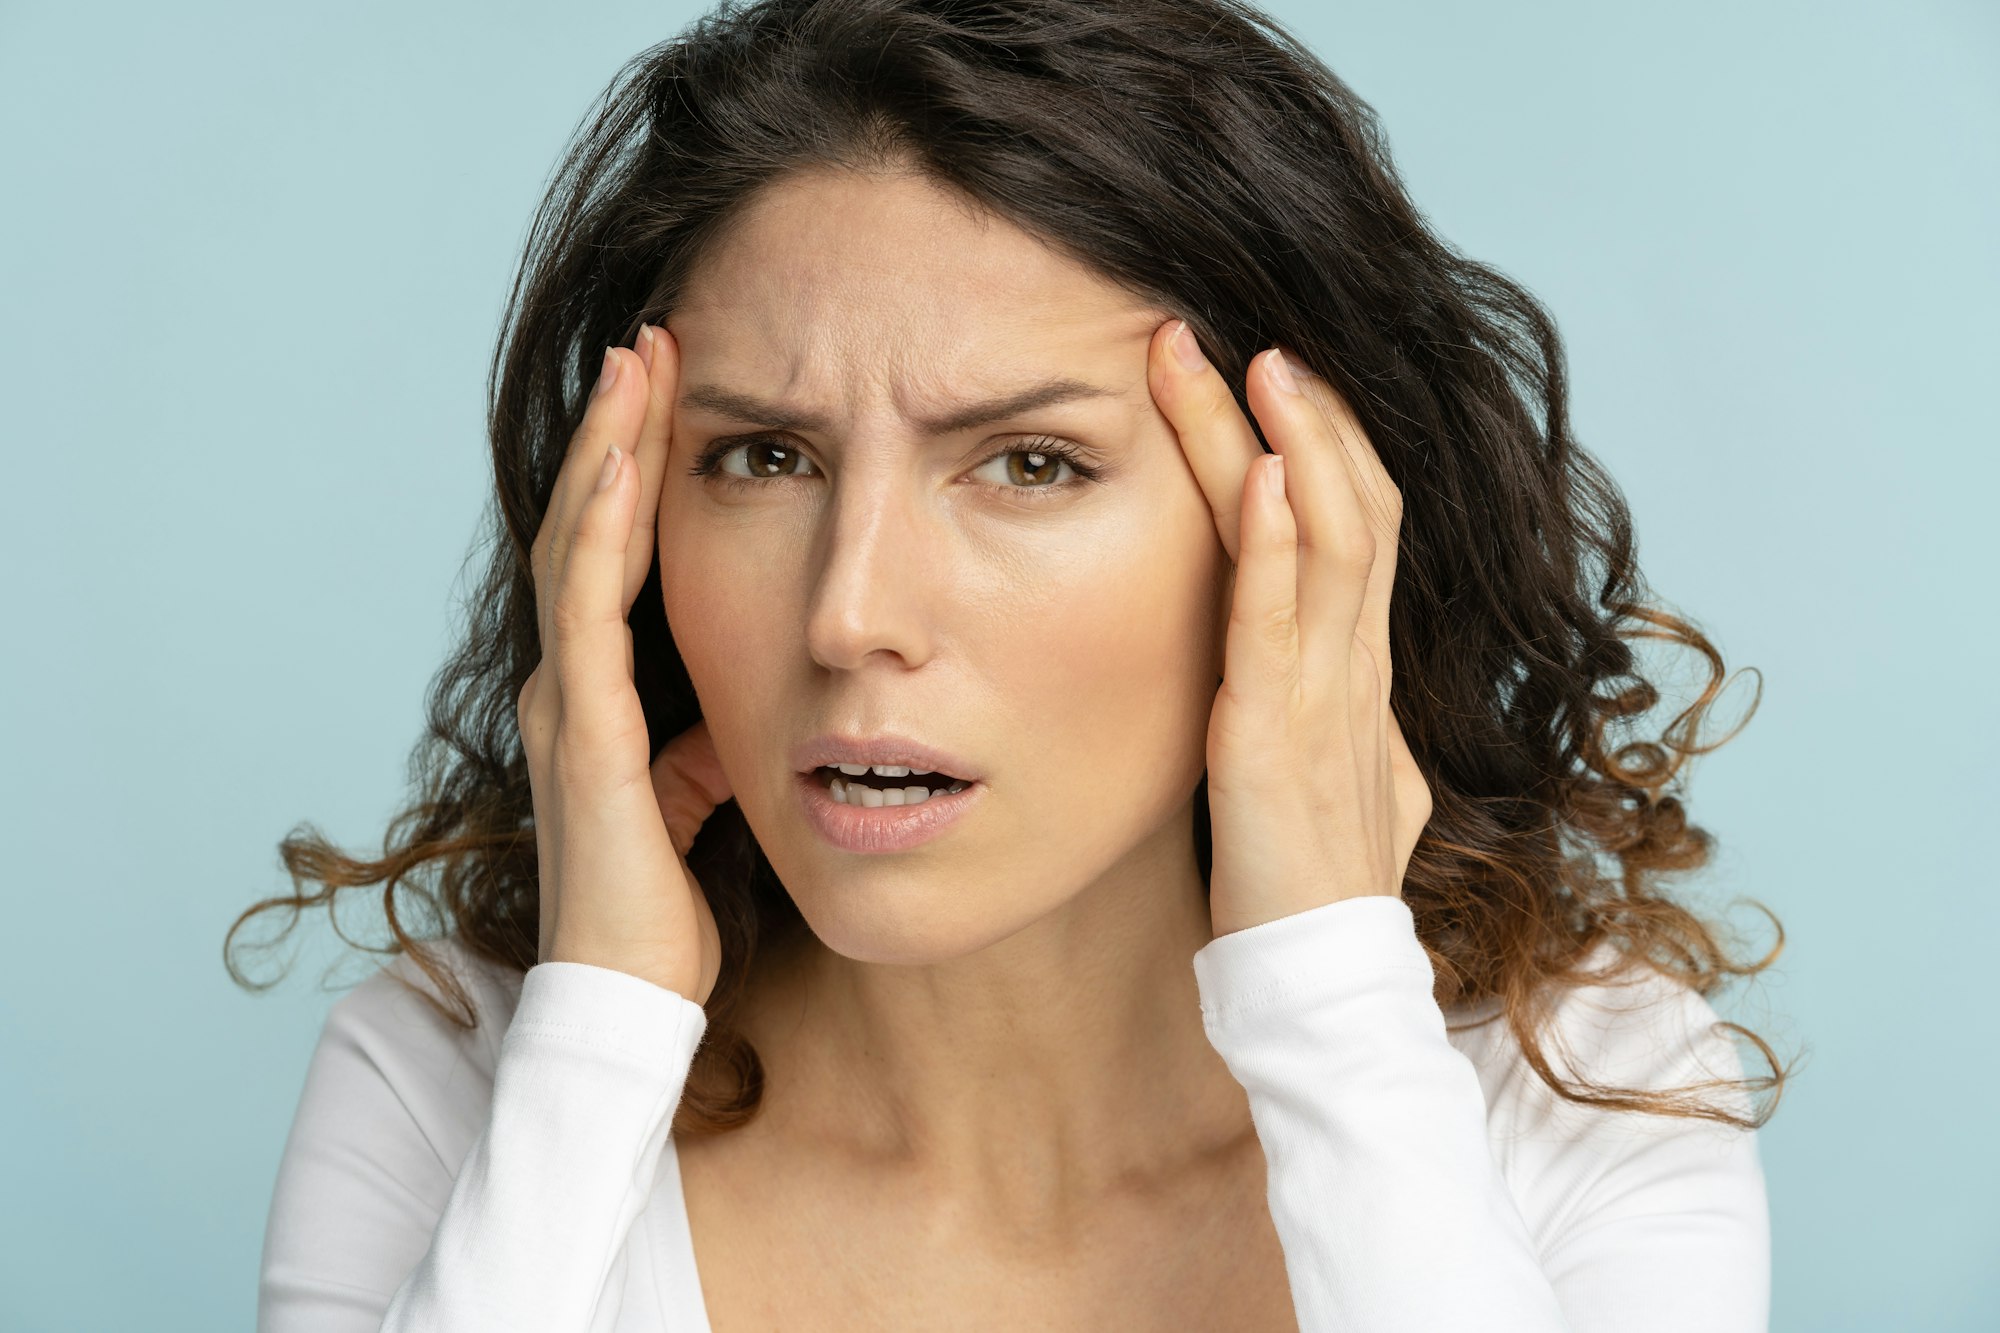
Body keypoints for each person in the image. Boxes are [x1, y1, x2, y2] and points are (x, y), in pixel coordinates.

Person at [237, 0, 1792, 1328]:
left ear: (1296, 525)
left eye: (1031, 463)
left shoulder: (1586, 1093)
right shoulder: (451, 1081)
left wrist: (1333, 991)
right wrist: (589, 1049)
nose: (848, 614)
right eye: (765, 456)